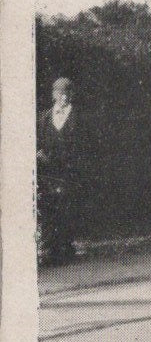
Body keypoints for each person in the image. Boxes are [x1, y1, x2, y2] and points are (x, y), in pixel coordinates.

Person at [37, 76, 80, 264]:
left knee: (68, 207)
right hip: (49, 170)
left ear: (72, 94)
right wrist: (40, 154)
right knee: (49, 208)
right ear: (53, 95)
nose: (63, 96)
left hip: (69, 171)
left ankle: (66, 247)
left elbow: (84, 144)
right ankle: (51, 249)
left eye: (66, 92)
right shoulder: (45, 118)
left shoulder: (78, 117)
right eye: (59, 92)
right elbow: (38, 141)